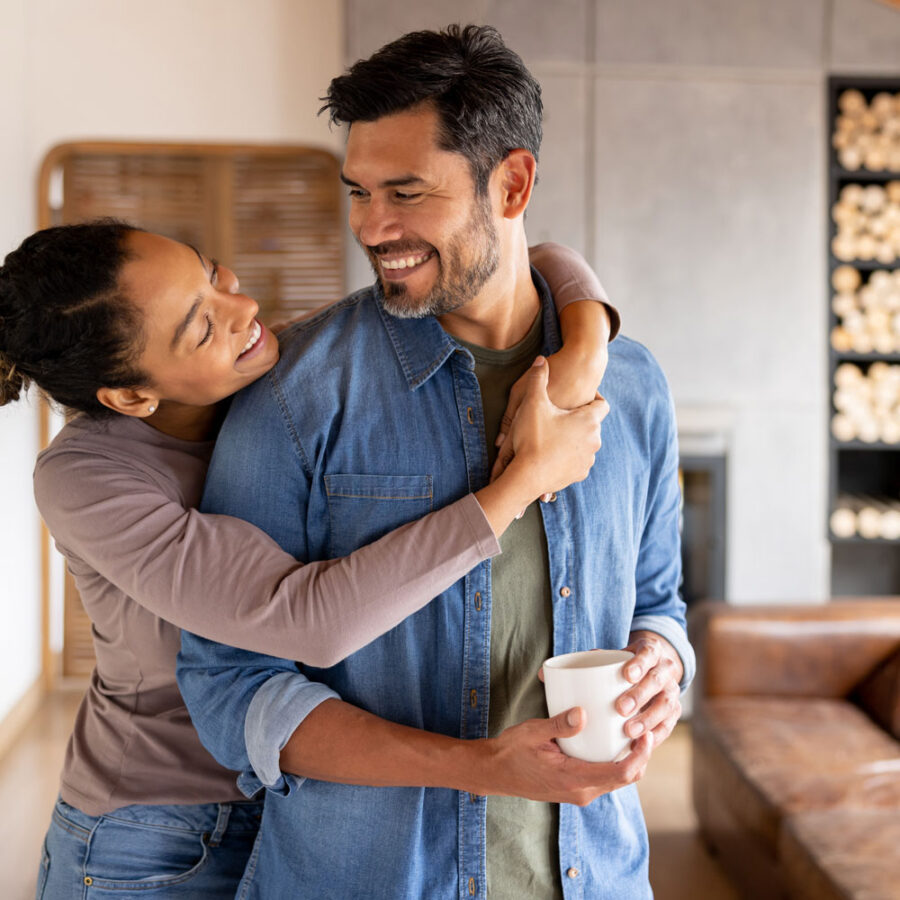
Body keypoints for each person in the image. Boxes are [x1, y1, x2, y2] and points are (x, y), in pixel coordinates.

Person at [178, 23, 694, 900]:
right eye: (359, 193)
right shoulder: (298, 396)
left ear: (514, 182)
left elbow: (658, 599)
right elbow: (231, 683)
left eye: (408, 194)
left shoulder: (632, 384)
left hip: (597, 874)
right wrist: (482, 767)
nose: (375, 229)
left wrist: (660, 667)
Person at [0, 220, 615, 899]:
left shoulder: (278, 375)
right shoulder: (85, 479)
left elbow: (540, 256)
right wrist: (521, 484)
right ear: (131, 397)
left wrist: (581, 351)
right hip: (155, 837)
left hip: (302, 807)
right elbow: (305, 616)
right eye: (201, 327)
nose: (242, 309)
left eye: (211, 272)